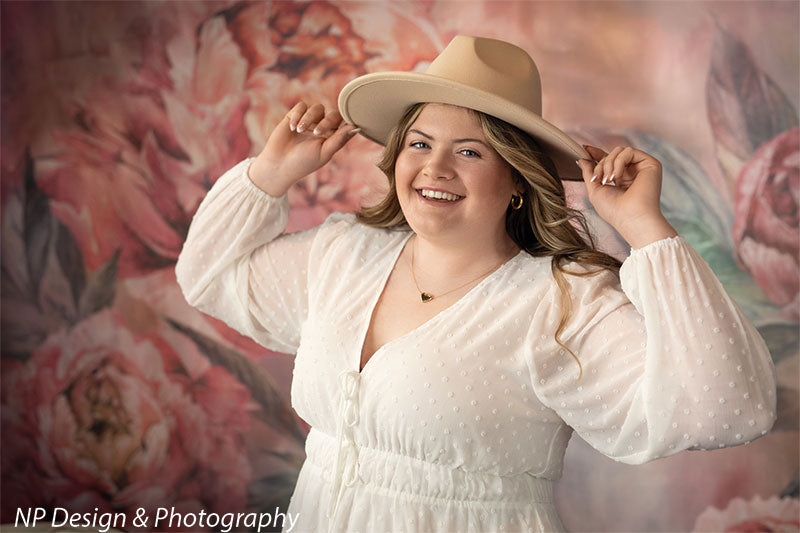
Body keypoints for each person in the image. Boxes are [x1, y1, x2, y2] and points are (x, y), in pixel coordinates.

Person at [175, 35, 777, 532]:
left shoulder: (561, 300)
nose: (434, 169)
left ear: (517, 177)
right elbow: (208, 277)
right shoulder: (344, 253)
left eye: (469, 151)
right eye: (419, 143)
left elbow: (727, 408)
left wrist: (646, 229)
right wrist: (269, 175)